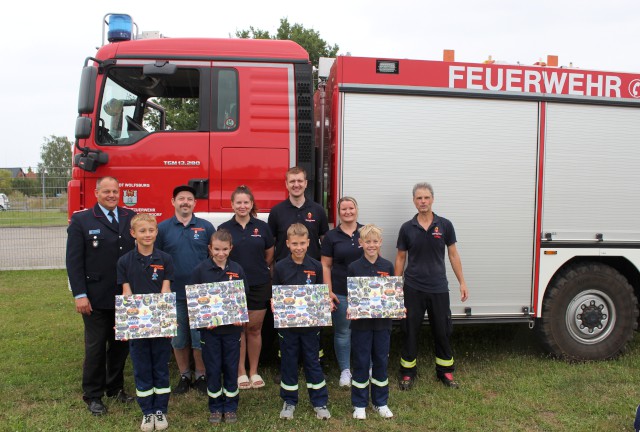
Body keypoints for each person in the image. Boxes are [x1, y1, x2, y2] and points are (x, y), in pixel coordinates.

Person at [66, 176, 136, 415]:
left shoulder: (129, 217)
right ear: (96, 193)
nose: (111, 195)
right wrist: (80, 295)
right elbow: (74, 262)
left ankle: (115, 388)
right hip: (94, 297)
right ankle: (93, 394)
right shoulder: (81, 220)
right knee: (95, 347)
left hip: (124, 296)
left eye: (115, 191)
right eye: (106, 191)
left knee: (120, 345)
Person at [395, 182, 469, 390]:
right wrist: (394, 286)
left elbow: (453, 255)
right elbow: (400, 258)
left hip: (438, 288)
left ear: (432, 199)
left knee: (442, 331)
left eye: (426, 197)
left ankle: (445, 372)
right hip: (413, 288)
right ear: (414, 201)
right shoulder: (407, 228)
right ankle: (408, 373)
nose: (423, 201)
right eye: (419, 198)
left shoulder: (445, 225)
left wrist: (462, 281)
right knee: (410, 330)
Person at [267, 166, 330, 381]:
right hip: (286, 274)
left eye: (300, 181)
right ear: (286, 184)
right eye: (292, 181)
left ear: (306, 183)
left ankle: (315, 363)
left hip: (311, 273)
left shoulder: (318, 210)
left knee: (313, 321)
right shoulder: (276, 212)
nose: (296, 184)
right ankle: (286, 364)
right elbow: (272, 245)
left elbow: (325, 244)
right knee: (286, 322)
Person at [116, 213, 174, 431]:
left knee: (160, 366)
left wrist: (167, 322)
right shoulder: (124, 262)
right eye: (142, 231)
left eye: (151, 230)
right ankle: (147, 412)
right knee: (141, 368)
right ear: (133, 233)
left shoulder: (165, 259)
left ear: (156, 232)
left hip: (160, 325)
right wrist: (126, 321)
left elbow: (166, 292)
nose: (147, 234)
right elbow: (126, 294)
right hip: (138, 327)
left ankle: (160, 410)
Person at [156, 185, 216, 395]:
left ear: (194, 203)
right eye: (181, 198)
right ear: (173, 202)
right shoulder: (162, 229)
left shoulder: (206, 227)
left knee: (199, 338)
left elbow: (214, 259)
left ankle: (201, 374)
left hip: (200, 294)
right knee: (179, 338)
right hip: (174, 294)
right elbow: (157, 260)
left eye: (189, 199)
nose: (185, 202)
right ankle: (184, 374)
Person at [218, 185, 274, 390]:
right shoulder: (224, 228)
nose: (242, 206)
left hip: (259, 283)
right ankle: (240, 371)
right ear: (232, 205)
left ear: (252, 204)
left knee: (254, 328)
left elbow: (269, 254)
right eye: (238, 202)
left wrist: (259, 269)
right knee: (237, 329)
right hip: (232, 285)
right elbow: (220, 255)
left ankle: (254, 371)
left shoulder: (262, 227)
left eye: (246, 202)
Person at [273, 223, 331, 421]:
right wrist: (274, 304)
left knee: (312, 362)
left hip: (310, 327)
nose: (299, 247)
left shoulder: (316, 266)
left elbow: (320, 293)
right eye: (294, 243)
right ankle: (289, 401)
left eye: (302, 243)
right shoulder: (280, 266)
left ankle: (320, 402)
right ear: (288, 244)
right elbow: (275, 293)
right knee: (288, 362)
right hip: (288, 328)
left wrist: (325, 304)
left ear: (308, 243)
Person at [191, 229, 248, 425]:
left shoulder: (238, 269)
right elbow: (195, 299)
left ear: (231, 248)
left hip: (232, 331)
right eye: (217, 249)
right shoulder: (200, 270)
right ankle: (215, 406)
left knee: (231, 367)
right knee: (213, 368)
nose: (221, 253)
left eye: (225, 249)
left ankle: (231, 406)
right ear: (210, 248)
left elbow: (243, 296)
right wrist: (201, 319)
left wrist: (240, 315)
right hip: (210, 332)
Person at [348, 224, 395, 419]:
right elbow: (352, 296)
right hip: (361, 325)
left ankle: (380, 402)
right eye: (367, 241)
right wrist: (351, 308)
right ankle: (359, 404)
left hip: (383, 325)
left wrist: (396, 305)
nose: (371, 245)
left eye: (375, 241)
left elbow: (392, 295)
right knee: (360, 360)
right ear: (361, 243)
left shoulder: (387, 266)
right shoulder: (354, 267)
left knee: (381, 361)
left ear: (380, 243)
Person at [321, 196, 363, 387]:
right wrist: (328, 291)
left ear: (357, 210)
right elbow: (326, 265)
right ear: (338, 212)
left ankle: (366, 367)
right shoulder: (331, 236)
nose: (347, 212)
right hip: (340, 292)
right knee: (343, 332)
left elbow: (374, 258)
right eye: (343, 209)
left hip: (363, 293)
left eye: (351, 208)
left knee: (364, 331)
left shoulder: (365, 231)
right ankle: (345, 371)